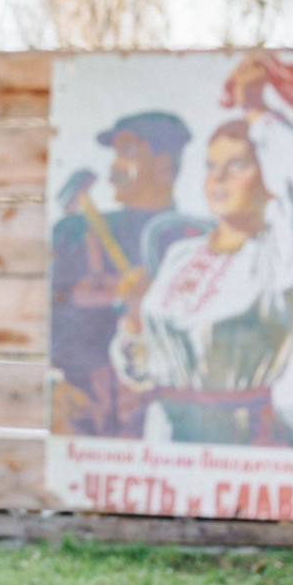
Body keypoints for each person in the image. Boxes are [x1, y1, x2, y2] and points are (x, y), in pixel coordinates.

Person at [111, 55, 293, 447]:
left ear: (270, 178)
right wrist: (135, 325)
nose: (218, 178)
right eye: (211, 166)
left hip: (241, 444)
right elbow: (143, 369)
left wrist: (258, 113)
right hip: (166, 441)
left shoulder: (282, 257)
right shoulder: (181, 256)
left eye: (237, 165)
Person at [50, 111, 194, 437]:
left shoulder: (194, 242)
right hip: (83, 412)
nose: (113, 167)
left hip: (167, 421)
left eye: (128, 153)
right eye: (114, 154)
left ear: (163, 164)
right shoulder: (75, 233)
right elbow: (50, 322)